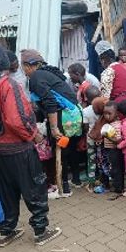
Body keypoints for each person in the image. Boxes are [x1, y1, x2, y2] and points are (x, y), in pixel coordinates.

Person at [0, 45, 61, 247]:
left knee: (7, 191)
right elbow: (16, 120)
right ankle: (41, 230)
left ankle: (6, 230)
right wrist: (34, 135)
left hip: (2, 151)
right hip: (18, 147)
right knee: (34, 187)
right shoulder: (8, 86)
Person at [21, 49, 83, 198]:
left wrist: (54, 128)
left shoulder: (36, 77)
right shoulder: (46, 73)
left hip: (63, 115)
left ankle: (62, 188)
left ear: (28, 66)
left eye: (23, 67)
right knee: (70, 149)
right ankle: (74, 181)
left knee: (59, 149)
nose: (23, 71)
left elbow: (50, 102)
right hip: (74, 113)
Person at [101, 101, 124, 200]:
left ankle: (118, 189)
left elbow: (118, 140)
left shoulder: (117, 125)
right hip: (110, 150)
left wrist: (107, 137)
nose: (107, 116)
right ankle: (117, 186)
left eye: (109, 113)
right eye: (105, 113)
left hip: (115, 151)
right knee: (113, 169)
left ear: (116, 113)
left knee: (116, 169)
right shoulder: (110, 124)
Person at [82, 88, 103, 192]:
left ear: (87, 99)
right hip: (102, 137)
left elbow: (85, 127)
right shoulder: (103, 107)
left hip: (90, 138)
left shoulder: (85, 111)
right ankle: (102, 180)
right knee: (101, 158)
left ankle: (91, 183)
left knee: (91, 159)